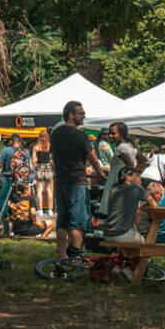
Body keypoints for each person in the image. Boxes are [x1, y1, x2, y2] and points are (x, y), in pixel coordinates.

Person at [50, 101, 105, 257]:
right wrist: (100, 172)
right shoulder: (81, 135)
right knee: (77, 222)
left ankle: (61, 256)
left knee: (62, 221)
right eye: (81, 113)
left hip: (60, 181)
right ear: (71, 115)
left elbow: (54, 156)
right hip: (77, 182)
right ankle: (75, 257)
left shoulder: (55, 134)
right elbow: (92, 158)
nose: (84, 116)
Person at [101, 163, 147, 244]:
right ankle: (144, 257)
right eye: (137, 176)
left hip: (107, 234)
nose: (140, 178)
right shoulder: (135, 189)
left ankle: (128, 256)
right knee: (143, 243)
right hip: (123, 235)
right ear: (128, 177)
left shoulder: (114, 189)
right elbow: (153, 203)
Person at [32, 131, 54, 217]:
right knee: (49, 189)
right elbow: (52, 158)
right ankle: (50, 210)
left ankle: (40, 210)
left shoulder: (36, 147)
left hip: (40, 168)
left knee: (39, 189)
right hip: (48, 167)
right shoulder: (50, 147)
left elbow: (34, 159)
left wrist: (35, 165)